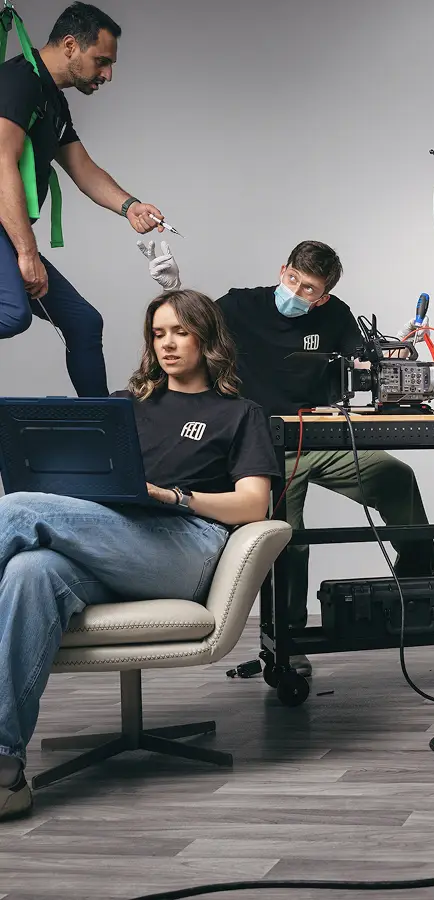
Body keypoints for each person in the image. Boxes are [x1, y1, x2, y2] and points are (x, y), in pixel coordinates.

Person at [0, 288, 280, 821]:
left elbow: (253, 502)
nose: (168, 344)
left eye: (180, 331)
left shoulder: (238, 413)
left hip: (183, 544)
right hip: (107, 539)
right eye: (158, 334)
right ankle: (3, 766)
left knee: (15, 511)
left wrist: (173, 495)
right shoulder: (121, 405)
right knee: (30, 570)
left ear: (207, 337)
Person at [138, 239, 434, 675]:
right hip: (261, 443)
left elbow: (364, 359)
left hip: (322, 436)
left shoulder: (336, 316)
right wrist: (173, 286)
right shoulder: (240, 306)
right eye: (293, 280)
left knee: (396, 476)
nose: (296, 293)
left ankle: (419, 578)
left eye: (309, 290)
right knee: (286, 536)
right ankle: (289, 637)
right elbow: (191, 325)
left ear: (325, 296)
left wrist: (390, 352)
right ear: (284, 270)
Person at [0, 2, 169, 397]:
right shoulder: (17, 82)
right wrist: (28, 254)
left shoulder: (52, 99)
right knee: (11, 314)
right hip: (8, 233)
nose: (107, 74)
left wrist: (131, 206)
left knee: (83, 323)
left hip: (8, 234)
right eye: (102, 61)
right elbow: (1, 164)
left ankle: (102, 429)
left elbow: (82, 168)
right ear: (72, 46)